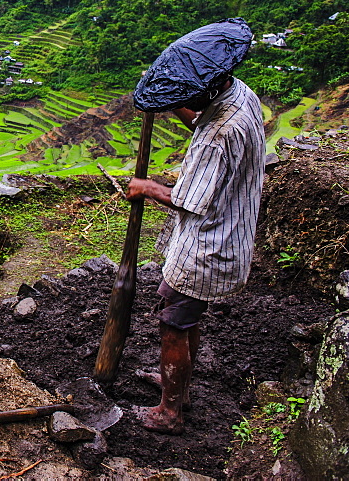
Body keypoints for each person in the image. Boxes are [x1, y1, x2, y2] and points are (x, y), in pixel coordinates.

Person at [126, 72, 266, 435]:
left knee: (173, 324)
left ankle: (170, 412)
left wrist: (146, 187)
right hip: (232, 233)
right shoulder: (239, 94)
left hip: (208, 247)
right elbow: (201, 119)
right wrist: (173, 98)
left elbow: (188, 200)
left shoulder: (216, 137)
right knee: (188, 317)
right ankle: (179, 387)